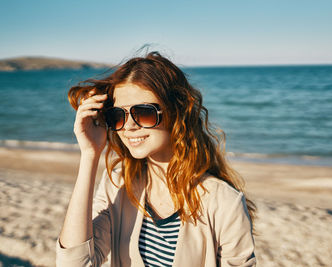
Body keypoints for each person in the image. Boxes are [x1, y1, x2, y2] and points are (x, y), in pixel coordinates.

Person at [56, 51, 256, 267]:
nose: (130, 126)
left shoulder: (224, 202)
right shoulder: (118, 183)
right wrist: (90, 154)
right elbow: (75, 264)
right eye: (118, 116)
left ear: (176, 112)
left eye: (144, 112)